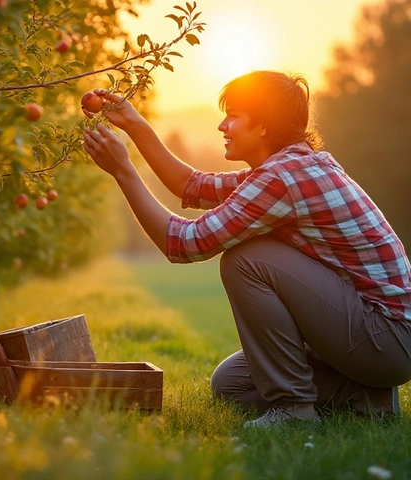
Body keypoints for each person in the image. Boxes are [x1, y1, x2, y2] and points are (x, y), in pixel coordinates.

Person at [82, 70, 411, 428]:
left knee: (245, 260)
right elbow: (191, 186)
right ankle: (365, 397)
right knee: (232, 384)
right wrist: (136, 126)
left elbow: (182, 243)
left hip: (388, 337)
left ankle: (294, 410)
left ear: (265, 126)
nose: (223, 125)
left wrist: (124, 171)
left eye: (234, 115)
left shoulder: (283, 178)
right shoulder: (288, 168)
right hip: (379, 336)